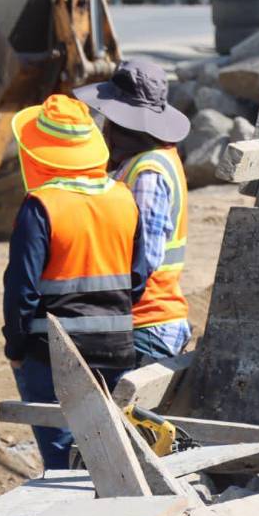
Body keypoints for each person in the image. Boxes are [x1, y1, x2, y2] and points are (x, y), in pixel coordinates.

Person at [2, 94, 146, 469]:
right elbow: (138, 280)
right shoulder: (123, 197)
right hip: (117, 350)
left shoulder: (41, 205)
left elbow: (21, 290)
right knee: (111, 459)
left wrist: (15, 349)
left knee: (62, 461)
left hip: (52, 354)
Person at [75, 61, 193, 365]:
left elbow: (145, 259)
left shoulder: (147, 173)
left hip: (145, 324)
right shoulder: (155, 159)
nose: (103, 129)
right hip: (149, 320)